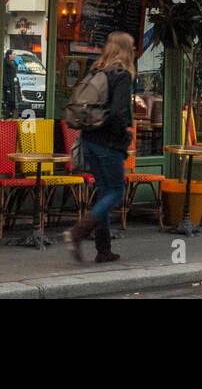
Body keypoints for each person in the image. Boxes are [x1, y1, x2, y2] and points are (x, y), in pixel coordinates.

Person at [66, 31, 136, 263]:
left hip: (88, 139)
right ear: (127, 49)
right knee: (116, 190)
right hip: (108, 143)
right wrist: (122, 137)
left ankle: (103, 250)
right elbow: (118, 112)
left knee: (104, 192)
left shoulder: (96, 70)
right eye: (133, 47)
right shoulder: (121, 75)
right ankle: (79, 232)